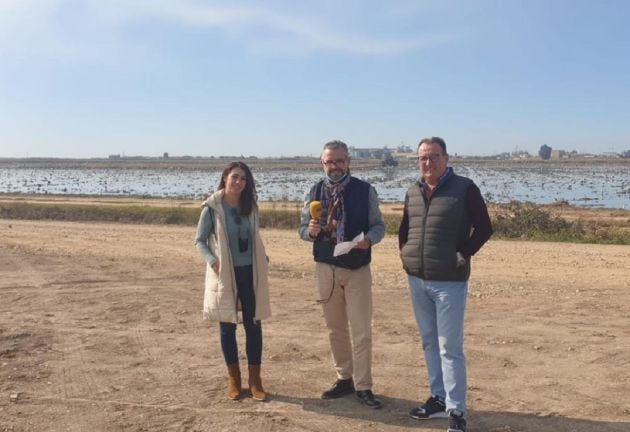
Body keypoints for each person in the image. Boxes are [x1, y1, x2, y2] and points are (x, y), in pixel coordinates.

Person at [399, 137, 492, 432]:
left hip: (449, 282)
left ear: (446, 158)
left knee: (449, 347)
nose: (428, 162)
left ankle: (457, 411)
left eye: (434, 157)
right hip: (418, 279)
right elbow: (405, 229)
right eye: (423, 158)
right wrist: (406, 256)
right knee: (429, 342)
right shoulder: (413, 191)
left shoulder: (465, 189)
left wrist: (462, 253)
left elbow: (485, 227)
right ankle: (438, 399)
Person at [299, 140, 386, 409]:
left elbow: (379, 226)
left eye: (339, 161)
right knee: (335, 328)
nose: (335, 166)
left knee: (361, 330)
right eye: (329, 162)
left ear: (348, 162)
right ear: (322, 164)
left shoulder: (365, 190)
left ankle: (364, 385)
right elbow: (302, 230)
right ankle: (343, 377)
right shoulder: (313, 191)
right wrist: (310, 232)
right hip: (326, 268)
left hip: (357, 267)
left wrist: (369, 240)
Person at [195, 161, 271, 401]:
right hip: (225, 273)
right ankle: (234, 379)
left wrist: (263, 256)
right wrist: (213, 261)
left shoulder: (251, 206)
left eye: (243, 179)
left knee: (254, 324)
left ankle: (255, 380)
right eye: (235, 177)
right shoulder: (212, 207)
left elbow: (255, 236)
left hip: (251, 271)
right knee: (227, 325)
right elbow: (199, 240)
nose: (238, 182)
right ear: (225, 178)